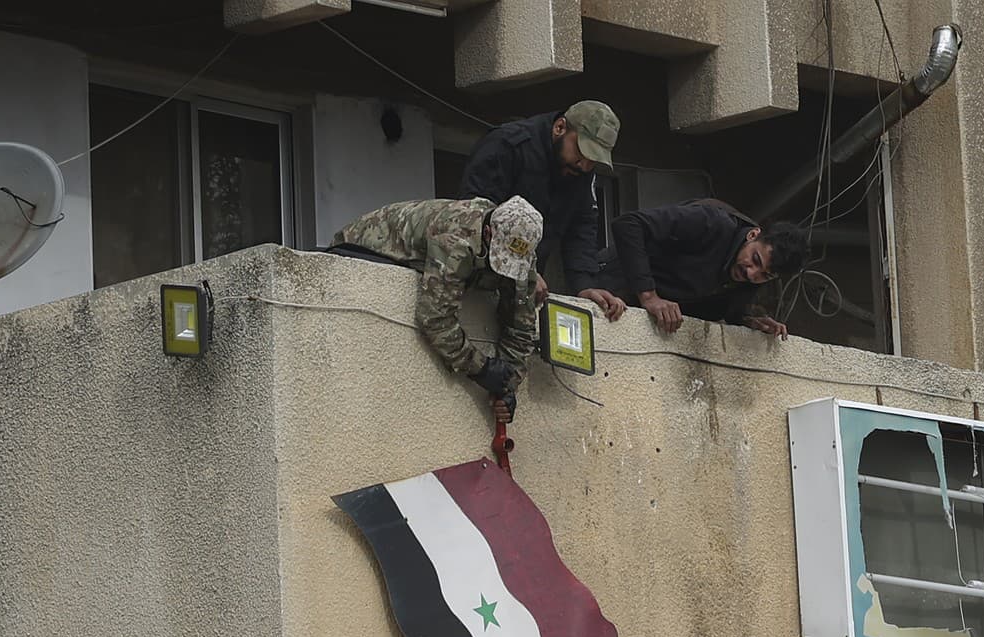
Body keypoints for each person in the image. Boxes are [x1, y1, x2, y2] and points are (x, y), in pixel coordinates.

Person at [331, 196, 543, 423]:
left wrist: (507, 386)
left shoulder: (520, 248)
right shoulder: (454, 239)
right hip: (365, 246)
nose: (507, 269)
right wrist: (481, 368)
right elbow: (434, 317)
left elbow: (521, 328)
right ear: (489, 233)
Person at [460, 100, 627, 321]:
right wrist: (524, 268)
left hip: (525, 289)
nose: (585, 165)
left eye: (593, 160)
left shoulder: (580, 171)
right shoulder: (508, 143)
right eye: (581, 151)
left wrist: (584, 285)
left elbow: (582, 226)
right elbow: (476, 214)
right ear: (560, 127)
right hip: (475, 278)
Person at [591, 200, 808, 336]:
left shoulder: (747, 278)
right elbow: (628, 224)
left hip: (632, 323)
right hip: (602, 287)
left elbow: (718, 310)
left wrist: (748, 320)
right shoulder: (712, 222)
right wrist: (649, 296)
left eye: (764, 275)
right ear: (753, 235)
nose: (751, 273)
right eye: (756, 260)